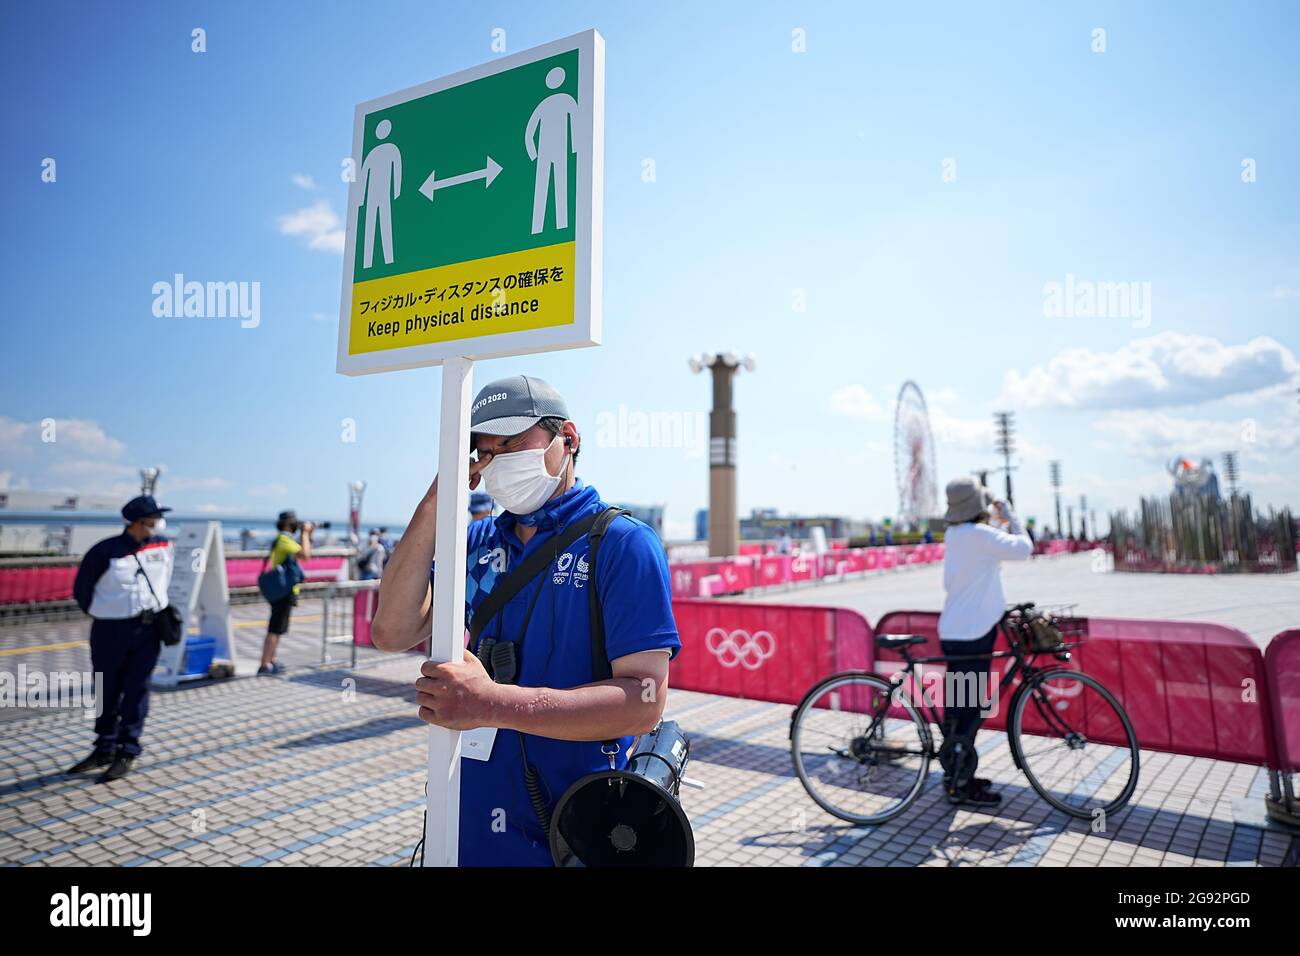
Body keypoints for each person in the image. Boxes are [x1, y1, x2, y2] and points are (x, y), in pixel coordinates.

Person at [371, 374, 680, 866]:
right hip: (468, 816)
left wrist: (491, 702)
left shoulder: (621, 543)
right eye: (484, 452)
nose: (497, 462)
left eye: (513, 443)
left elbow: (643, 702)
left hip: (580, 825)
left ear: (569, 439)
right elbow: (391, 631)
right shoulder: (475, 544)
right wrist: (438, 499)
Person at [936, 477, 1032, 807]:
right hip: (975, 632)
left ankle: (956, 774)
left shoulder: (956, 534)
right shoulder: (980, 536)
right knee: (970, 709)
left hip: (954, 630)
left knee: (959, 710)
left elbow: (983, 538)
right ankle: (959, 784)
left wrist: (991, 511)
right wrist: (1010, 514)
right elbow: (1024, 548)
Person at [67, 495, 173, 782]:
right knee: (106, 689)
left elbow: (166, 578)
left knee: (137, 690)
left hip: (148, 629)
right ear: (139, 522)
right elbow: (82, 590)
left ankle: (127, 749)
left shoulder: (163, 545)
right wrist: (107, 612)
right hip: (110, 630)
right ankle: (104, 747)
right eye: (154, 517)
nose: (159, 522)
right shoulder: (104, 551)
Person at [259, 510, 313, 675]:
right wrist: (305, 533)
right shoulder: (284, 539)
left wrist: (307, 535)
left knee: (279, 628)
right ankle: (264, 664)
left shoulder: (284, 540)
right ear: (289, 524)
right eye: (295, 523)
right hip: (283, 591)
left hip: (283, 590)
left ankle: (272, 660)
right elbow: (305, 555)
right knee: (275, 628)